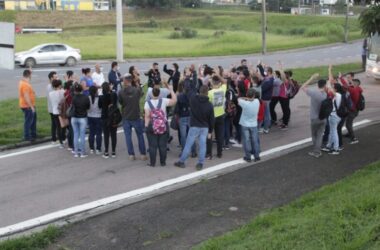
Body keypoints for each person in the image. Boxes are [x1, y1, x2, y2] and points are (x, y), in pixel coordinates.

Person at [174, 85, 215, 170]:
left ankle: (182, 161)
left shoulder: (193, 100)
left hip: (194, 126)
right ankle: (200, 163)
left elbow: (189, 90)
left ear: (199, 91)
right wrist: (210, 131)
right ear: (207, 92)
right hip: (205, 127)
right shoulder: (210, 105)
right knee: (203, 145)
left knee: (188, 145)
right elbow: (212, 120)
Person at [144, 82, 177, 167]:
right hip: (163, 125)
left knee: (152, 146)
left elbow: (147, 116)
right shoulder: (163, 101)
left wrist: (146, 126)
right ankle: (163, 162)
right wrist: (171, 90)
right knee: (162, 145)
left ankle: (152, 163)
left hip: (152, 125)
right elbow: (174, 101)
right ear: (159, 94)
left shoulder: (147, 103)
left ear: (151, 94)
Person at [118, 74, 147, 161]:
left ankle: (131, 155)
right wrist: (138, 85)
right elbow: (141, 94)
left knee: (128, 136)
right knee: (140, 135)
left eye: (123, 80)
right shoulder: (136, 90)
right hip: (135, 115)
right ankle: (143, 154)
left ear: (126, 81)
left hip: (126, 115)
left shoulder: (121, 92)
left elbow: (120, 102)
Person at [301, 73, 326, 158]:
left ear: (317, 85)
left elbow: (303, 87)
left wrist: (311, 78)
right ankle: (318, 150)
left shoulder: (314, 92)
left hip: (314, 117)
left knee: (314, 135)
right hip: (324, 118)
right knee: (320, 135)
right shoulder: (326, 94)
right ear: (325, 85)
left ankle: (316, 151)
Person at [206, 75, 227, 159]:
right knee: (220, 135)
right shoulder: (222, 90)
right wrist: (218, 75)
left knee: (209, 135)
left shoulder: (209, 93)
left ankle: (209, 154)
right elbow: (225, 82)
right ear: (219, 83)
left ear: (212, 83)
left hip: (211, 117)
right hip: (221, 115)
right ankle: (219, 153)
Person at [238, 88, 261, 162]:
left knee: (246, 141)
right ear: (254, 95)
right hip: (254, 124)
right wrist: (250, 99)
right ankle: (256, 156)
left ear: (247, 95)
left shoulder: (244, 103)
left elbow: (239, 98)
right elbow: (255, 98)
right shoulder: (257, 101)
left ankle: (248, 157)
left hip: (245, 124)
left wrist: (246, 98)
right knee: (255, 140)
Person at [99, 82, 118, 159]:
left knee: (106, 135)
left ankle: (106, 151)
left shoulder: (102, 97)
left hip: (105, 117)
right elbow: (116, 102)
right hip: (113, 117)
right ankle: (113, 152)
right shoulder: (114, 95)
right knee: (113, 134)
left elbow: (99, 106)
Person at [341, 78, 363, 144]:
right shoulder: (359, 89)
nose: (351, 83)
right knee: (350, 122)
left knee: (348, 124)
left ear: (355, 84)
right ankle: (349, 134)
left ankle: (354, 139)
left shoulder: (354, 90)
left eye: (352, 82)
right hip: (355, 109)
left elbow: (345, 86)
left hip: (352, 110)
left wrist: (341, 77)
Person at [321, 84, 341, 155]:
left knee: (334, 132)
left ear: (336, 89)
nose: (331, 89)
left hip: (334, 115)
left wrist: (329, 86)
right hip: (335, 115)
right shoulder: (337, 95)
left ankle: (336, 149)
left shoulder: (337, 95)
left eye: (333, 88)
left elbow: (331, 91)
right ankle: (329, 146)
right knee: (332, 131)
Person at [71, 83, 90, 158]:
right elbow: (88, 107)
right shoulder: (85, 97)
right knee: (82, 135)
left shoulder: (73, 97)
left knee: (75, 135)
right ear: (82, 90)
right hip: (82, 117)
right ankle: (82, 153)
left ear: (75, 90)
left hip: (74, 118)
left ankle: (76, 152)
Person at [19, 69, 37, 142]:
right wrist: (31, 107)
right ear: (29, 75)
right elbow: (26, 96)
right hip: (27, 106)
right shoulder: (25, 85)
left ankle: (33, 134)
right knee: (28, 121)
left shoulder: (23, 82)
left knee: (32, 120)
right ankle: (27, 136)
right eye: (31, 75)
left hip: (29, 105)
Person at [48, 79, 65, 148]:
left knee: (58, 127)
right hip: (61, 111)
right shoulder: (62, 92)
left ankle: (60, 142)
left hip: (55, 111)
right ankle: (63, 138)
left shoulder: (50, 93)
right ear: (60, 85)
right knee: (63, 126)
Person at [88, 86, 102, 154]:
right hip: (98, 117)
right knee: (98, 133)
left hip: (90, 116)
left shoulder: (88, 98)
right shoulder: (99, 98)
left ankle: (91, 148)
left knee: (91, 133)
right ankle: (98, 149)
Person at [260, 67, 274, 134]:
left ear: (269, 72)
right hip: (266, 98)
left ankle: (266, 128)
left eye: (265, 71)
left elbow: (263, 88)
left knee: (266, 114)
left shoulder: (269, 80)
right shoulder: (267, 78)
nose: (264, 72)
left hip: (266, 99)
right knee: (266, 113)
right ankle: (266, 126)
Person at [47, 71, 58, 143]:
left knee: (54, 124)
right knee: (56, 124)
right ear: (51, 78)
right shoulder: (51, 87)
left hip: (52, 108)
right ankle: (55, 139)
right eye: (55, 77)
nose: (57, 78)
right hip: (53, 109)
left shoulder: (49, 86)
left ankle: (54, 138)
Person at [64, 80, 74, 151]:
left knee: (70, 128)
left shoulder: (65, 93)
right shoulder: (71, 94)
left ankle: (70, 144)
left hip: (67, 111)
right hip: (72, 112)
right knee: (72, 129)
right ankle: (72, 144)